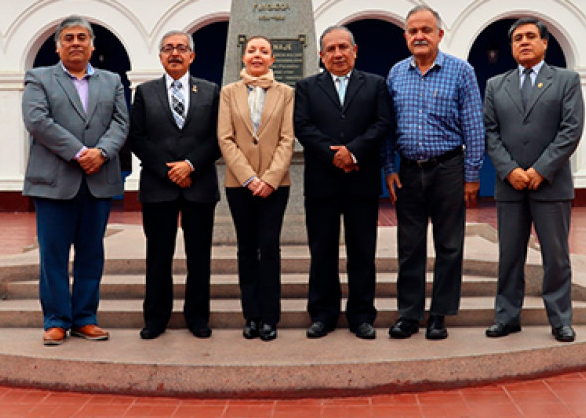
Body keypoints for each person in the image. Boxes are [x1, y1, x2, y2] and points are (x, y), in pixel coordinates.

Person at [22, 16, 129, 346]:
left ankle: (85, 317)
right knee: (53, 254)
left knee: (91, 253)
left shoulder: (111, 81)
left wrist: (102, 153)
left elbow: (121, 124)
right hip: (54, 182)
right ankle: (55, 319)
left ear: (92, 44)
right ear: (58, 46)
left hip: (99, 180)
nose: (76, 43)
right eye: (68, 38)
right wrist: (81, 152)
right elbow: (37, 120)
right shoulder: (39, 78)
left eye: (82, 37)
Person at [383, 5, 485, 340]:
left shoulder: (461, 71)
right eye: (413, 31)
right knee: (409, 246)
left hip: (449, 169)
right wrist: (389, 169)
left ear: (440, 34)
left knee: (449, 245)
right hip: (409, 171)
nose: (419, 36)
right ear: (405, 37)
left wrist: (472, 175)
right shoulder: (396, 73)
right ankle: (409, 314)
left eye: (426, 30)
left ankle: (439, 314)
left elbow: (473, 126)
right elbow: (387, 128)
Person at [482, 18, 585, 343]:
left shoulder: (566, 80)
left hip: (551, 184)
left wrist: (541, 170)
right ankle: (507, 317)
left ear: (544, 43)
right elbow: (490, 132)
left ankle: (560, 320)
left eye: (530, 37)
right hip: (509, 185)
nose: (524, 42)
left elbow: (571, 129)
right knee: (510, 255)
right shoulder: (496, 85)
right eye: (517, 39)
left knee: (555, 255)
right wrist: (509, 169)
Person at [294, 26, 392, 340]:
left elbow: (382, 123)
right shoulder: (307, 87)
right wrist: (331, 153)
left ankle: (361, 316)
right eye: (331, 50)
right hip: (322, 181)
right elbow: (302, 126)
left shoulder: (375, 85)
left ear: (354, 50)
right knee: (322, 252)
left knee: (362, 252)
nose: (338, 54)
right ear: (321, 56)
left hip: (360, 180)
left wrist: (354, 152)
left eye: (343, 48)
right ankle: (323, 314)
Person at [129, 30, 221, 340]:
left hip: (199, 183)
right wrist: (167, 169)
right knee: (158, 256)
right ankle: (156, 318)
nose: (175, 53)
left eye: (181, 48)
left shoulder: (210, 91)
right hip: (158, 185)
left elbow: (217, 137)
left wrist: (190, 165)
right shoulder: (144, 93)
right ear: (160, 57)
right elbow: (137, 137)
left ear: (192, 56)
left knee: (199, 256)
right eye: (168, 48)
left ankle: (197, 317)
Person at [218, 36, 294, 342]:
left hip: (276, 186)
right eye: (252, 51)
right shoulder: (228, 93)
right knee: (246, 249)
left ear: (272, 59)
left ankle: (270, 318)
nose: (257, 55)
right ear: (244, 58)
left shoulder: (286, 93)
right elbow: (225, 139)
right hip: (239, 185)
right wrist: (250, 178)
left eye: (264, 51)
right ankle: (251, 315)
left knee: (270, 249)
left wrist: (270, 179)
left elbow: (287, 139)